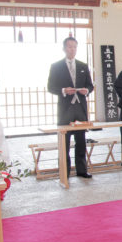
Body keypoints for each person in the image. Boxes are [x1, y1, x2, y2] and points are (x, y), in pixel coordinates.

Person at [47, 36, 94, 179]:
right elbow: (50, 87)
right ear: (64, 48)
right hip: (65, 108)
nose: (72, 49)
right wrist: (63, 91)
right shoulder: (56, 66)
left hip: (80, 107)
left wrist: (86, 90)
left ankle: (82, 170)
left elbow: (90, 85)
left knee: (81, 141)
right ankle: (64, 171)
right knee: (64, 142)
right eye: (69, 47)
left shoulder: (83, 66)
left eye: (74, 47)